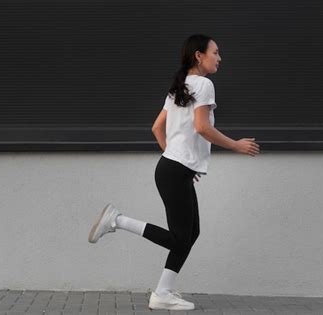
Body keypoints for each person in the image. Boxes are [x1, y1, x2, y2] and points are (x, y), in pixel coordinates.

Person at [87, 34, 260, 311]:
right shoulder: (203, 84)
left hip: (173, 168)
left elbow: (157, 128)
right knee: (181, 238)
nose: (220, 58)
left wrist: (179, 158)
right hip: (174, 169)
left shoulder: (179, 86)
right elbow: (202, 128)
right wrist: (236, 146)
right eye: (215, 52)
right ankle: (117, 220)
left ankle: (163, 292)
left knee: (191, 234)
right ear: (199, 56)